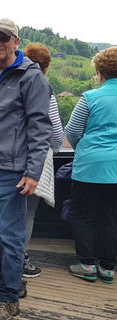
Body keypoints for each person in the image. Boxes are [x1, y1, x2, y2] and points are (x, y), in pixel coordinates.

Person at [0, 19, 52, 320]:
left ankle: (8, 299)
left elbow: (40, 127)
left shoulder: (31, 77)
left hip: (12, 171)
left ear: (16, 41)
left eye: (3, 39)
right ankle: (10, 279)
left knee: (10, 235)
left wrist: (33, 172)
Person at [65, 46, 117, 284]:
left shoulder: (90, 97)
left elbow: (72, 131)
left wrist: (85, 150)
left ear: (99, 72)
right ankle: (108, 268)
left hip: (90, 166)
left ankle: (86, 264)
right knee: (111, 216)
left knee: (82, 215)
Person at [22, 43, 64, 278]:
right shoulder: (44, 87)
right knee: (27, 215)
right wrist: (54, 150)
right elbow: (56, 133)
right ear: (46, 66)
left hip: (8, 158)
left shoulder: (15, 82)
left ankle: (7, 260)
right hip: (35, 161)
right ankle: (20, 259)